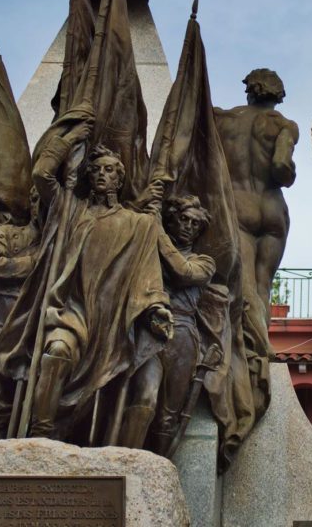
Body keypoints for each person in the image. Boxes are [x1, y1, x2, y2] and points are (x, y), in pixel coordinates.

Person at [27, 119, 174, 443]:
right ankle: (39, 437)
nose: (101, 175)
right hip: (74, 312)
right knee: (57, 352)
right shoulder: (72, 211)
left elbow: (149, 277)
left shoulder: (139, 224)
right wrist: (69, 139)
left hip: (114, 323)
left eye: (109, 170)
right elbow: (42, 175)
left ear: (120, 178)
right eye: (95, 171)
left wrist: (156, 309)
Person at [122, 194, 225, 453]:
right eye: (183, 220)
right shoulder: (149, 255)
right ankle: (127, 462)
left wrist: (156, 229)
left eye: (195, 224)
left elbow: (182, 273)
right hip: (150, 333)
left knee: (168, 416)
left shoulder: (204, 262)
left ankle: (159, 470)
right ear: (172, 220)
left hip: (182, 336)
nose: (188, 226)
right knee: (145, 397)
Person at [213, 68, 299, 320]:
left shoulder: (223, 120)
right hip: (272, 209)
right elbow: (281, 166)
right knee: (263, 286)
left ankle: (249, 347)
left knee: (243, 285)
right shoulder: (284, 125)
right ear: (278, 95)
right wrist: (290, 176)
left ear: (249, 91)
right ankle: (261, 349)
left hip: (239, 207)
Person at [0, 187, 42, 437]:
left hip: (38, 313)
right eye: (35, 200)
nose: (40, 206)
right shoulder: (8, 234)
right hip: (4, 310)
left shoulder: (58, 241)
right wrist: (29, 265)